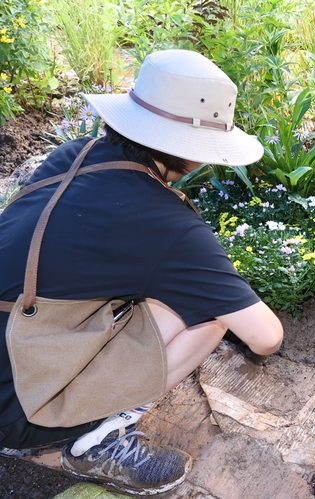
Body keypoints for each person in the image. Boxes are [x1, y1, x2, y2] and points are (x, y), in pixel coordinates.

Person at [0, 49, 283, 495]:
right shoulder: (169, 225)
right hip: (18, 407)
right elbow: (266, 336)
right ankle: (98, 439)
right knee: (208, 315)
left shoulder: (76, 153)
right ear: (194, 152)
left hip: (17, 339)